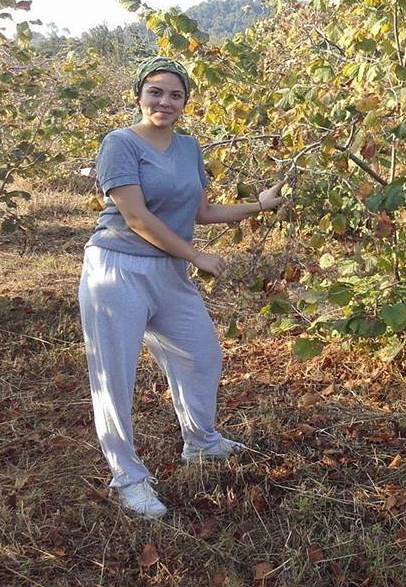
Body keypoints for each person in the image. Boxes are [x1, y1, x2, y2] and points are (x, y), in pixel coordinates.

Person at [78, 56, 284, 519]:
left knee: (202, 356)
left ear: (186, 102)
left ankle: (202, 442)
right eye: (155, 91)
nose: (164, 102)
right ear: (138, 95)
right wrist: (197, 256)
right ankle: (128, 477)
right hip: (117, 271)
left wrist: (260, 205)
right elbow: (136, 217)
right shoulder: (119, 144)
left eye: (175, 94)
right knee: (114, 379)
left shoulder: (189, 147)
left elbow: (202, 212)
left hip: (168, 273)